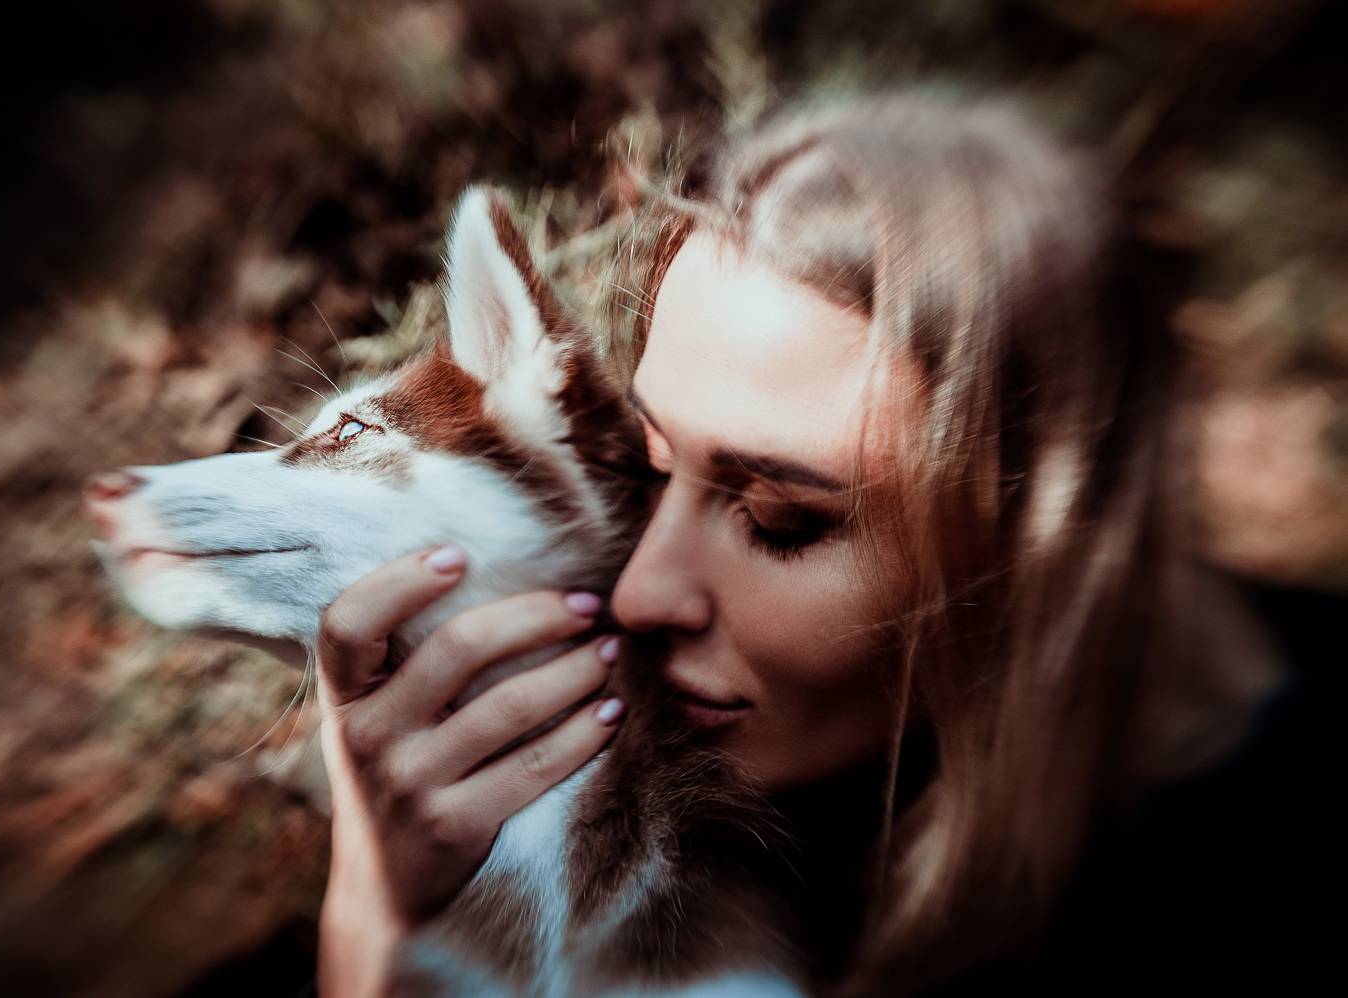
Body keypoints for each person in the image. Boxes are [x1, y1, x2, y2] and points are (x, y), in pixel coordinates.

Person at [309, 96, 1332, 995]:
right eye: (656, 466)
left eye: (780, 521)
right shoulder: (725, 771)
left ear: (1040, 544)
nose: (642, 592)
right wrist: (387, 897)